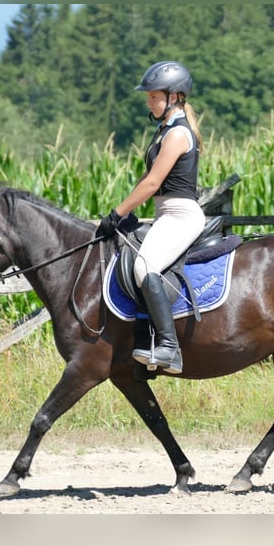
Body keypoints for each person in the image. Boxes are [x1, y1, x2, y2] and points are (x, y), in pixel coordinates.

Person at [95, 60, 205, 374]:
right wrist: (129, 213)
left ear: (175, 97)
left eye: (154, 96)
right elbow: (150, 183)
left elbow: (153, 183)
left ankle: (169, 347)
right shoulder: (165, 130)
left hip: (182, 216)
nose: (149, 101)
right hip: (165, 214)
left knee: (145, 266)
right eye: (149, 96)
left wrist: (118, 213)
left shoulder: (177, 134)